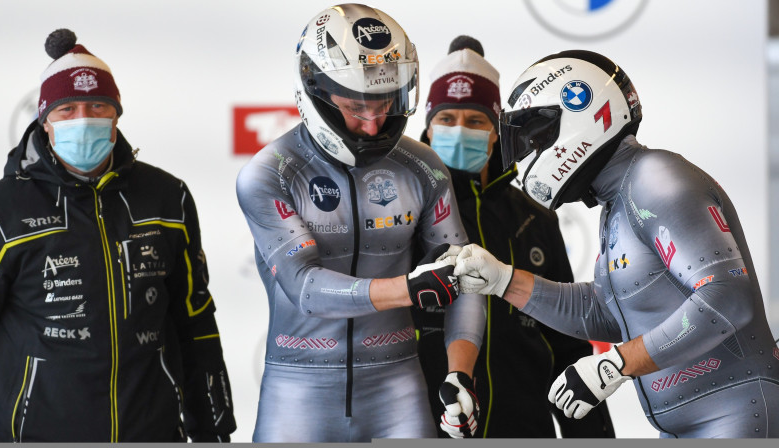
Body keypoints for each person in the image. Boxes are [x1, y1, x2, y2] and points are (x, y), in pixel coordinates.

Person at [453, 49, 779, 438]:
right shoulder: (620, 198)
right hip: (694, 422)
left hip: (735, 413)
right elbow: (608, 315)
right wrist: (505, 281)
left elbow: (727, 296)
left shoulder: (655, 178)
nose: (527, 156)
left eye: (536, 138)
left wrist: (616, 364)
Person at [236, 4, 486, 442]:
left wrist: (459, 373)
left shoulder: (423, 165)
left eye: (385, 103)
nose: (373, 125)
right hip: (297, 389)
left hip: (397, 385)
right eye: (356, 107)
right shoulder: (268, 171)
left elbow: (464, 277)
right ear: (315, 92)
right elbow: (305, 288)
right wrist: (407, 289)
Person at [0, 29, 236, 442]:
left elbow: (195, 322)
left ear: (116, 115)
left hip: (151, 432)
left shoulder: (168, 198)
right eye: (68, 109)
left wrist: (214, 427)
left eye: (98, 105)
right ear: (44, 122)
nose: (84, 119)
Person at [412, 36, 614, 438]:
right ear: (428, 129)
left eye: (475, 121)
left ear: (496, 130)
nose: (459, 131)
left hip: (523, 427)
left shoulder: (534, 216)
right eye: (446, 119)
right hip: (426, 424)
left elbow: (567, 342)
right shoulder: (406, 214)